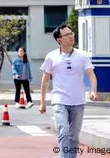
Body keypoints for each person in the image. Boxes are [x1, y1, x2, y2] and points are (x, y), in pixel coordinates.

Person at [40, 24, 98, 158]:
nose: (71, 36)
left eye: (72, 33)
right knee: (64, 132)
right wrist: (42, 102)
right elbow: (45, 80)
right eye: (67, 35)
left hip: (78, 101)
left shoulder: (82, 55)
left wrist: (93, 90)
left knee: (73, 137)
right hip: (60, 101)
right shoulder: (51, 56)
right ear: (59, 39)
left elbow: (91, 74)